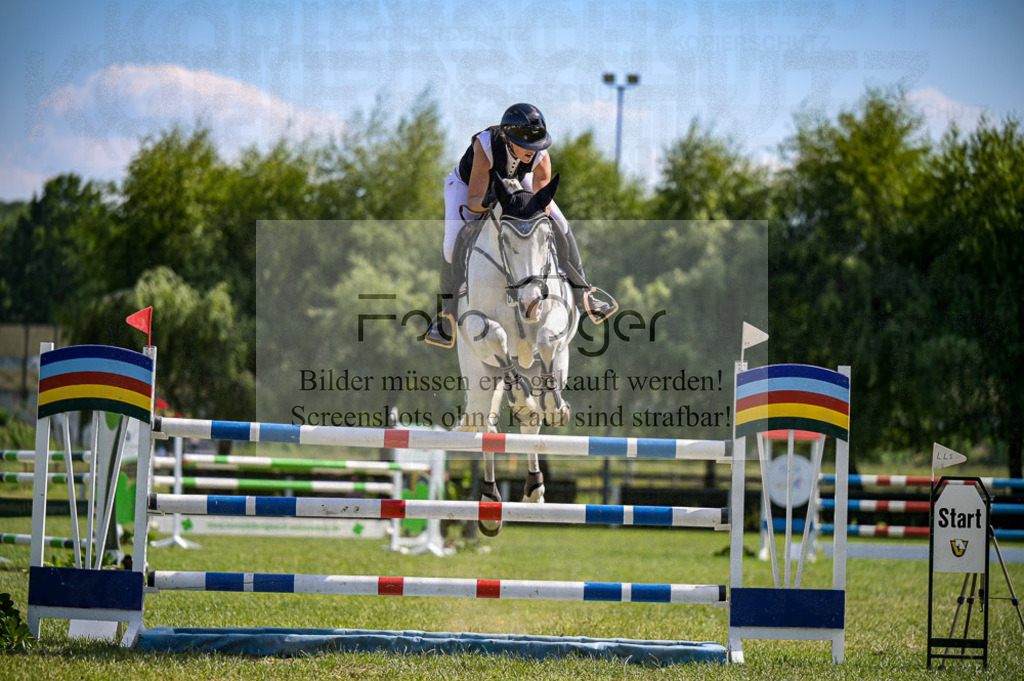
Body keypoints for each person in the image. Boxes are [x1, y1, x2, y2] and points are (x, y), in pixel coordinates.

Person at [425, 103, 617, 348]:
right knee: (452, 244)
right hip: (467, 187)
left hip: (515, 182)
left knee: (560, 222)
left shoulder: (540, 154)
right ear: (508, 139)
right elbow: (473, 202)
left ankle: (584, 294)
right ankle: (446, 315)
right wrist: (495, 203)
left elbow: (541, 202)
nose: (533, 151)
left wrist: (531, 214)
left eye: (537, 145)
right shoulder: (485, 147)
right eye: (526, 145)